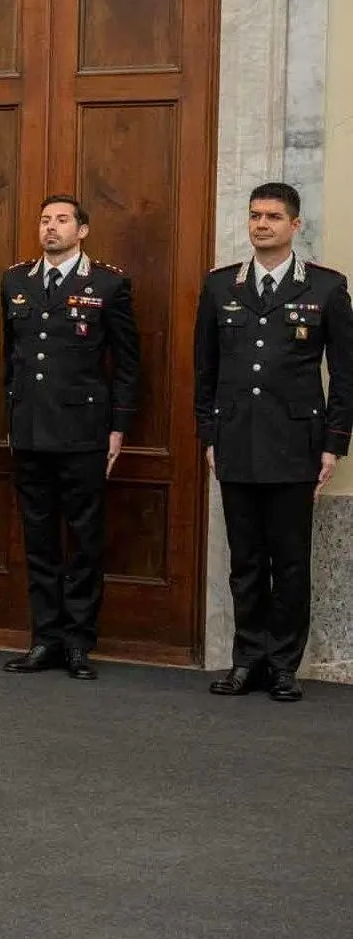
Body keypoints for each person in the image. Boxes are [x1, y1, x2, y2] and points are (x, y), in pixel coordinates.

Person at [196, 182, 352, 702]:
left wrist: (333, 443)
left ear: (295, 226)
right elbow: (206, 370)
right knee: (245, 560)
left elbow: (345, 376)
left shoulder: (326, 288)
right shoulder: (221, 287)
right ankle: (248, 660)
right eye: (255, 215)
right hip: (237, 441)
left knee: (288, 561)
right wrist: (209, 434)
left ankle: (284, 664)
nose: (261, 224)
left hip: (295, 444)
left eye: (273, 217)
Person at [1, 195, 139, 681]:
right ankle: (45, 638)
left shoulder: (107, 282)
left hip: (84, 432)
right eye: (44, 220)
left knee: (83, 540)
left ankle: (79, 641)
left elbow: (126, 363)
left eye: (61, 220)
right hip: (31, 431)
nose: (50, 228)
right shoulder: (15, 280)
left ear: (82, 231)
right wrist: (12, 415)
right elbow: (10, 357)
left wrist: (118, 427)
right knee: (39, 540)